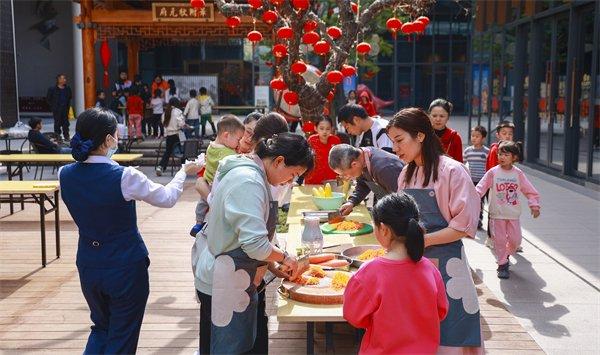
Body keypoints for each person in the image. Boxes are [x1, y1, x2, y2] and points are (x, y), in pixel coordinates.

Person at [59, 108, 200, 354]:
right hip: (124, 265)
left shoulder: (65, 174)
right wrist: (182, 172)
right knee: (122, 334)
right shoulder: (124, 176)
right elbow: (167, 198)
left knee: (101, 327)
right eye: (116, 134)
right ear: (108, 140)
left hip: (88, 263)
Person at [193, 133, 313, 354]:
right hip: (225, 278)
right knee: (228, 348)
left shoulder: (251, 173)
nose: (291, 181)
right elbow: (255, 244)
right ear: (279, 161)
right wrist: (285, 258)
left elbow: (248, 236)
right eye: (293, 174)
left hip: (233, 274)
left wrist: (274, 266)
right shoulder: (248, 180)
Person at [388, 107, 483, 353]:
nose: (396, 148)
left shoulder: (452, 170)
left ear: (420, 136)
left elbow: (462, 226)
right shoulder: (405, 174)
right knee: (419, 332)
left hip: (449, 265)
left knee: (452, 335)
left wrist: (423, 241)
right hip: (416, 266)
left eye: (399, 141)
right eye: (393, 142)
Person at [344, 192, 449, 354]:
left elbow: (354, 316)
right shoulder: (430, 269)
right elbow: (441, 311)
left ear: (384, 229)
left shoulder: (370, 272)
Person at [476, 141, 540, 279]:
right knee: (498, 240)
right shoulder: (492, 172)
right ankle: (502, 264)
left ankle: (506, 254)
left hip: (513, 215)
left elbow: (530, 191)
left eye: (506, 154)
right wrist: (472, 201)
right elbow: (480, 188)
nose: (501, 157)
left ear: (514, 157)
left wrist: (534, 205)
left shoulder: (518, 174)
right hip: (496, 215)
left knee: (515, 241)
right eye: (500, 154)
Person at [192, 115, 245, 232]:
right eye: (238, 139)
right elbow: (237, 161)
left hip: (206, 181)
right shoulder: (227, 154)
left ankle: (198, 222)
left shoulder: (211, 146)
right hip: (217, 187)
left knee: (202, 203)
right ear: (226, 135)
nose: (239, 143)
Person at [329, 144, 404, 216]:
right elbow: (363, 183)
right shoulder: (362, 158)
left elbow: (403, 201)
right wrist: (351, 202)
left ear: (354, 164)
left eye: (345, 174)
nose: (346, 178)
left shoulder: (384, 168)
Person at [464, 125, 490, 228]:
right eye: (472, 136)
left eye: (477, 136)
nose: (474, 138)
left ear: (483, 138)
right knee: (474, 201)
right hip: (472, 181)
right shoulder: (467, 151)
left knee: (482, 201)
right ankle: (475, 219)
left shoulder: (487, 152)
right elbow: (462, 164)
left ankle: (480, 218)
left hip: (484, 181)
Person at [304, 116, 341, 185]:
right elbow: (306, 160)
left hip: (331, 179)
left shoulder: (336, 140)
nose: (324, 131)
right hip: (313, 179)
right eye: (321, 128)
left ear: (332, 129)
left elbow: (339, 159)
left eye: (328, 129)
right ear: (315, 128)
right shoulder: (312, 140)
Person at [156, 98, 186, 176]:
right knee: (183, 151)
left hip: (169, 135)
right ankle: (184, 167)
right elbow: (181, 124)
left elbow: (163, 122)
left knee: (168, 152)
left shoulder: (166, 112)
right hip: (177, 134)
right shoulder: (178, 112)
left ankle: (160, 166)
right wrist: (185, 125)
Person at [429, 98, 463, 163]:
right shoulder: (423, 135)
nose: (438, 119)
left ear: (448, 117)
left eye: (442, 116)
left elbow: (459, 164)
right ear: (429, 116)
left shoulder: (455, 137)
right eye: (434, 116)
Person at [46, 73, 72, 141]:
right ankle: (57, 137)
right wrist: (53, 107)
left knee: (66, 123)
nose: (65, 80)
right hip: (57, 109)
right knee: (57, 123)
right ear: (59, 80)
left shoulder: (67, 88)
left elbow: (69, 97)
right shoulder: (52, 89)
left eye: (65, 78)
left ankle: (66, 136)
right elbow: (48, 99)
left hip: (65, 109)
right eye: (63, 78)